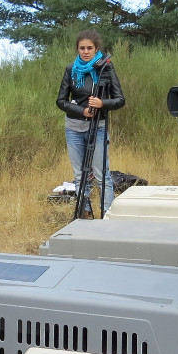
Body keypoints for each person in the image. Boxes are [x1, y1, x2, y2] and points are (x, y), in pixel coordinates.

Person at [56, 29, 125, 216]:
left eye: (89, 48)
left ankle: (107, 214)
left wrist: (102, 103)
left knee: (102, 174)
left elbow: (120, 100)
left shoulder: (106, 68)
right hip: (73, 127)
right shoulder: (71, 70)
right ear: (77, 49)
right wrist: (82, 110)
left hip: (98, 126)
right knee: (80, 175)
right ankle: (85, 213)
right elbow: (61, 101)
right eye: (82, 48)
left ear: (96, 49)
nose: (85, 52)